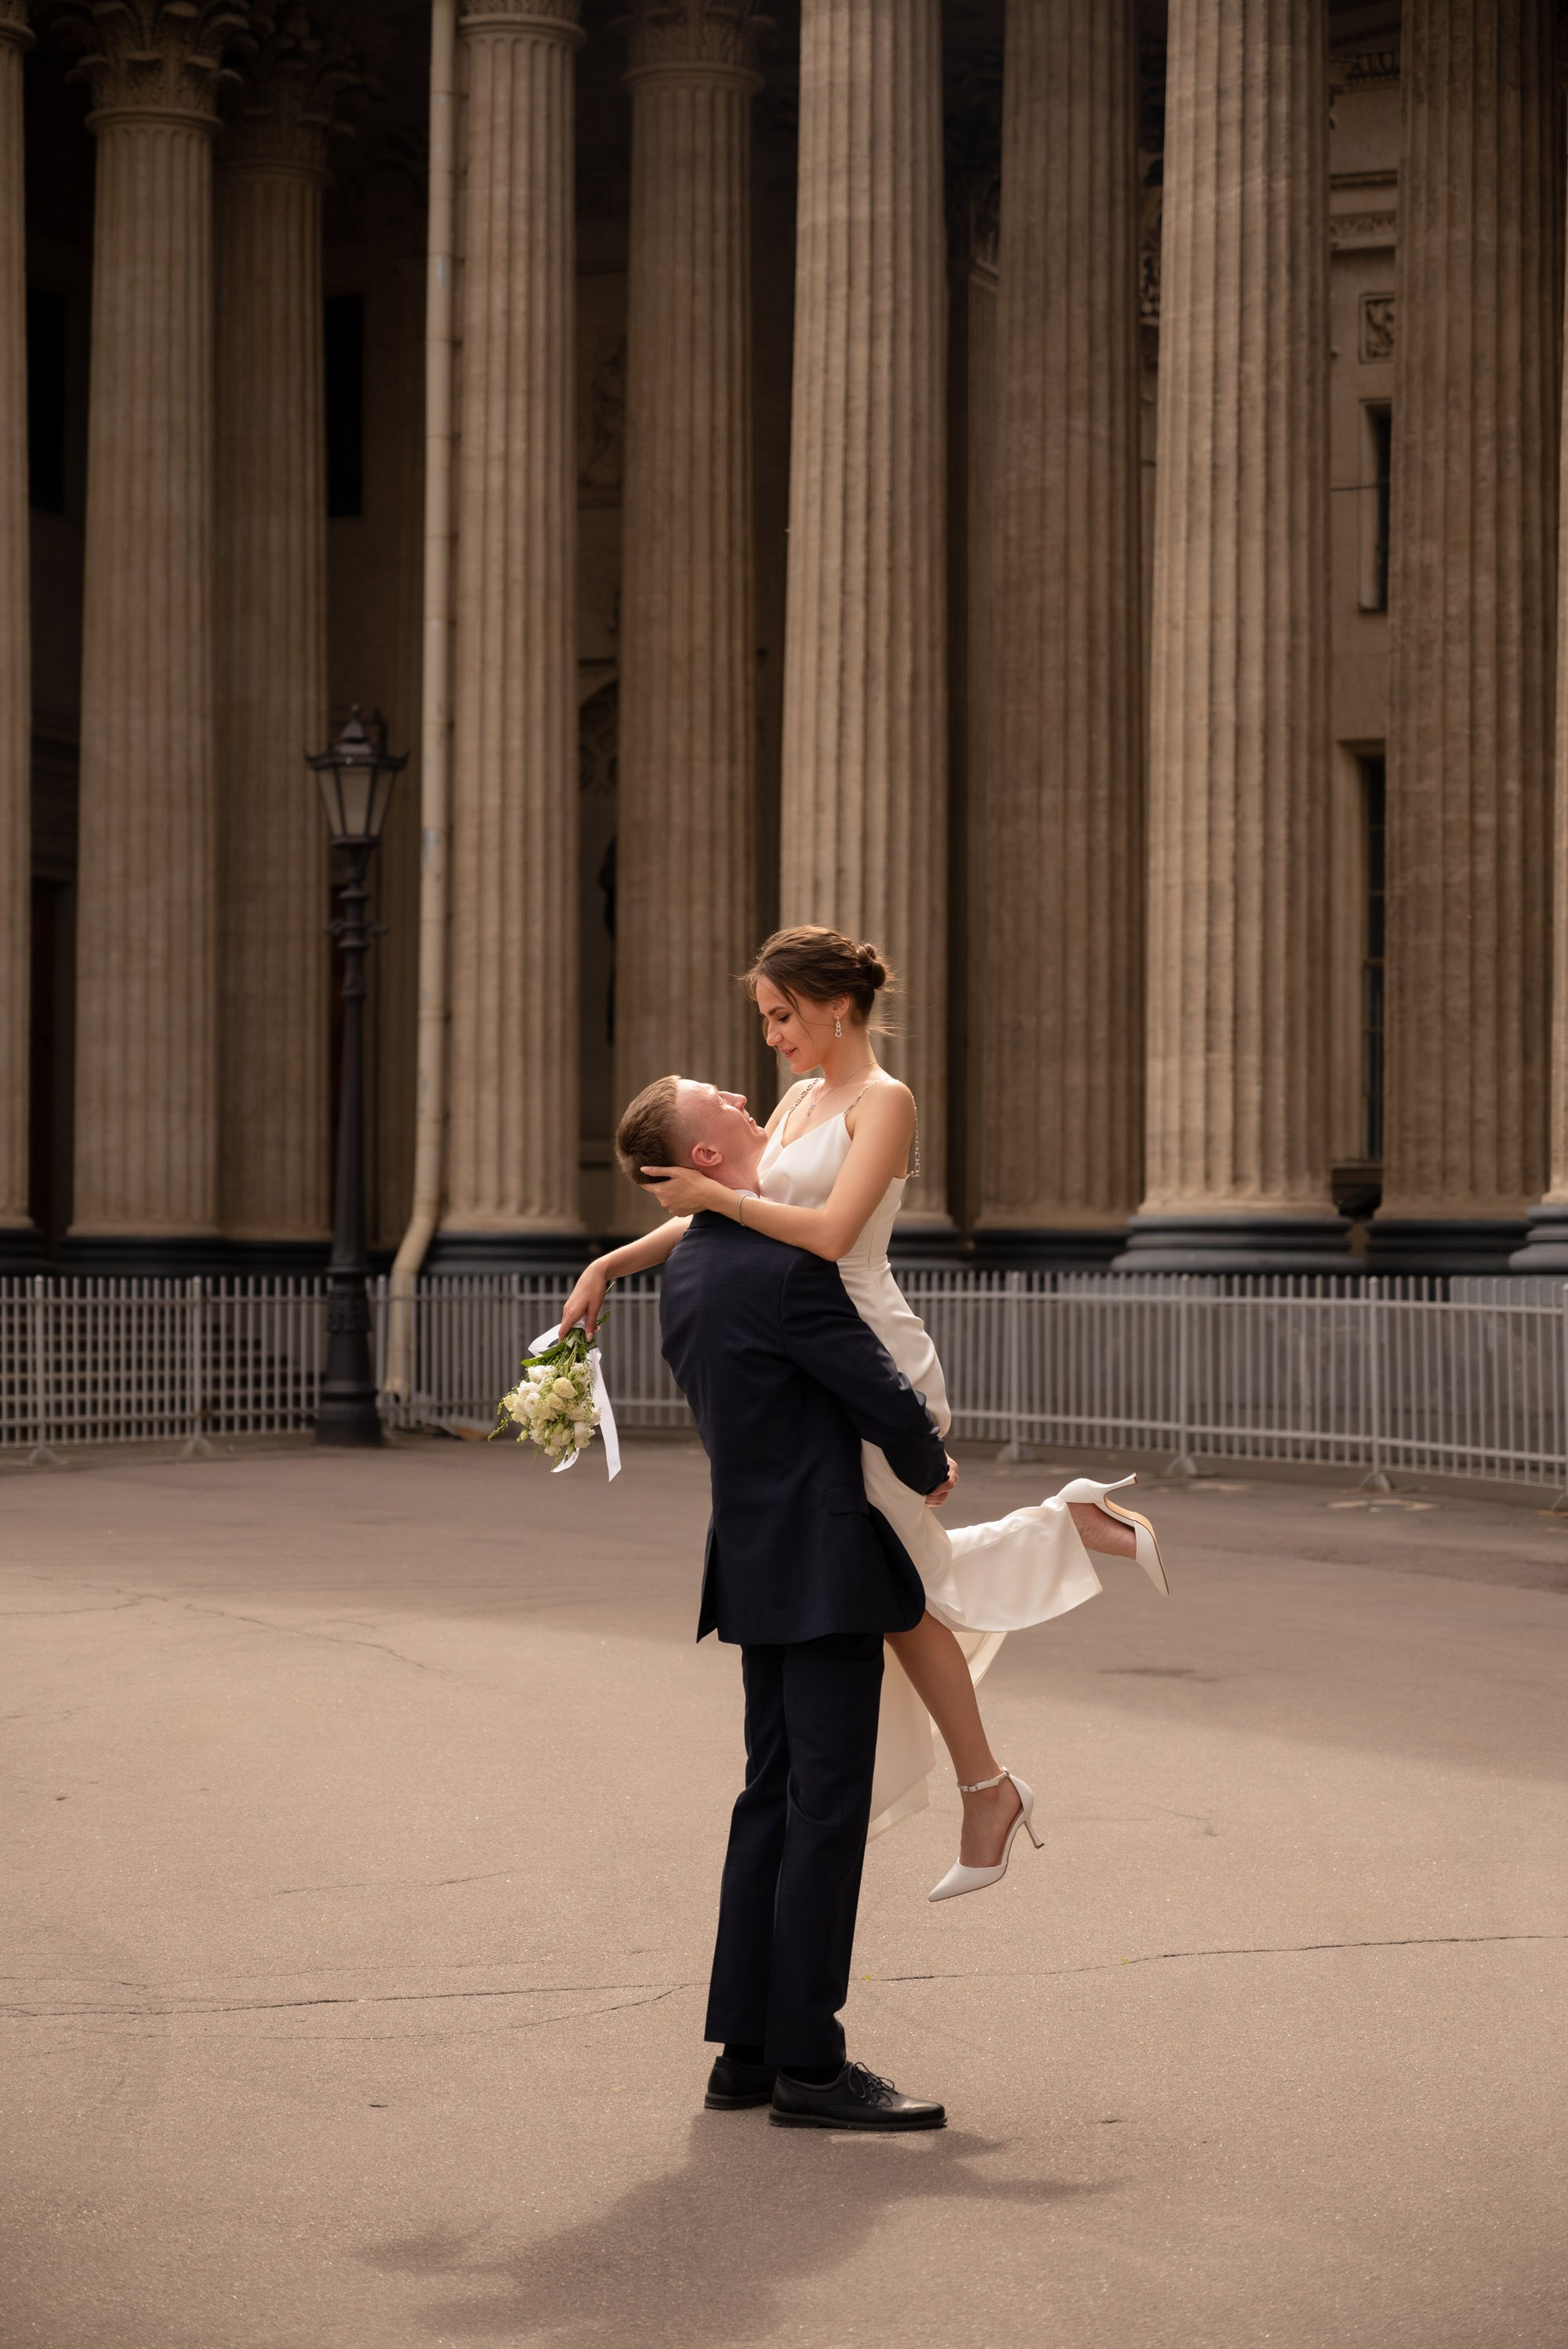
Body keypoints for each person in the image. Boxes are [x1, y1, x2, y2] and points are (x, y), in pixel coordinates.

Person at [564, 925, 1169, 1901]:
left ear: (831, 1005)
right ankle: (1060, 1563)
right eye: (764, 1017)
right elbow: (725, 1205)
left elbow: (827, 1230)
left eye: (778, 1014)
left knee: (895, 1585)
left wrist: (716, 1200)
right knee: (899, 1580)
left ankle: (991, 1780)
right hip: (814, 1351)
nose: (768, 1038)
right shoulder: (802, 1098)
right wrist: (611, 1262)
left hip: (865, 1351)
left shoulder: (883, 1100)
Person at [659, 1141, 954, 2131]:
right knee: (823, 1810)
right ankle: (813, 2068)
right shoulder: (787, 1266)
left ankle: (744, 2053)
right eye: (729, 1106)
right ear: (703, 1151)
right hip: (824, 1560)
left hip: (749, 1555)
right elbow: (872, 1384)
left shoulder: (694, 1262)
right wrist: (925, 1458)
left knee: (770, 1799)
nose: (753, 1106)